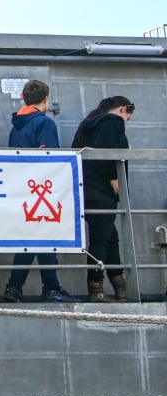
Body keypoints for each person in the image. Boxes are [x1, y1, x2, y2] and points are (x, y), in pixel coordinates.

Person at [3, 79, 80, 303]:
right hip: (42, 190)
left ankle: (15, 287)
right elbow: (51, 159)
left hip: (22, 188)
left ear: (23, 99)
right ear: (46, 100)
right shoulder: (44, 124)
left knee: (31, 238)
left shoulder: (15, 126)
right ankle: (50, 288)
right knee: (44, 236)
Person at [71, 95, 135, 302]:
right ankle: (96, 288)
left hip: (86, 188)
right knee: (101, 239)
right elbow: (108, 152)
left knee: (110, 237)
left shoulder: (90, 124)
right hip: (101, 190)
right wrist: (114, 178)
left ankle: (120, 287)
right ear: (124, 109)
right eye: (129, 115)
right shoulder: (112, 121)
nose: (129, 120)